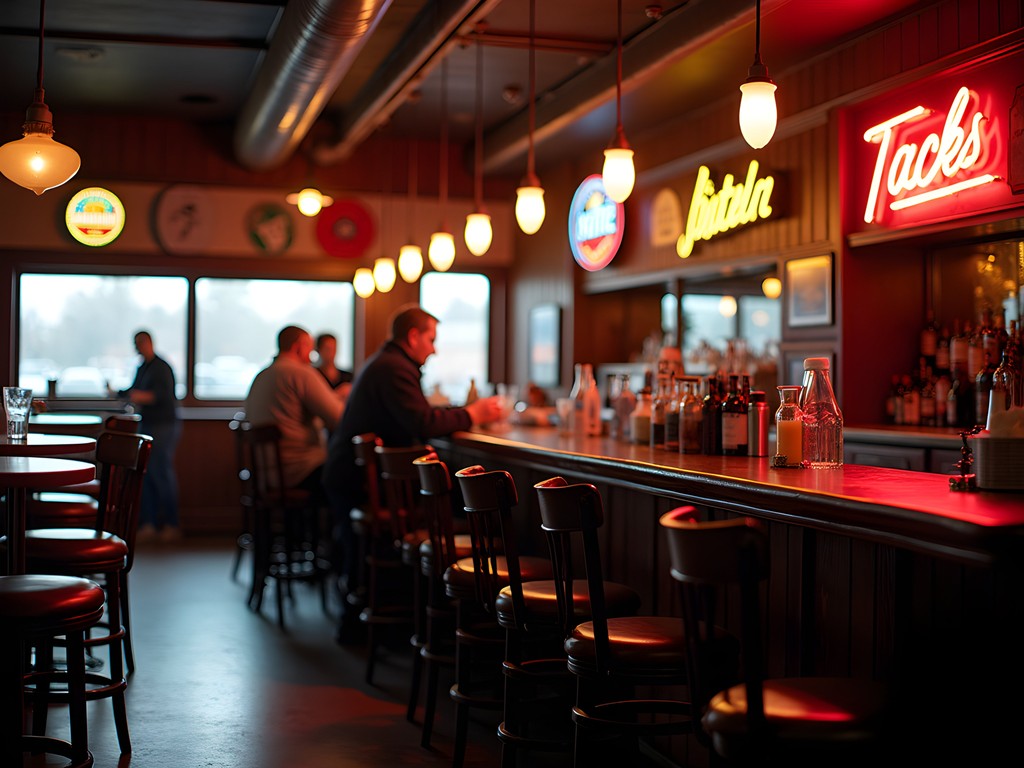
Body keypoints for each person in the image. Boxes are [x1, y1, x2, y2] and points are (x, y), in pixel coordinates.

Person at [322, 304, 503, 642]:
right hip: (356, 483)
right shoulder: (394, 368)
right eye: (431, 339)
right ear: (413, 336)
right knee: (462, 508)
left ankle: (386, 616)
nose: (434, 349)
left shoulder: (388, 363)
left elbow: (419, 414)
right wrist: (473, 413)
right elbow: (422, 422)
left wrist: (460, 412)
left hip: (355, 478)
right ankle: (449, 619)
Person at [244, 325, 344, 494]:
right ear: (298, 347)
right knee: (354, 472)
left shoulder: (261, 376)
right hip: (300, 471)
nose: (311, 356)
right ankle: (347, 521)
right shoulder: (301, 373)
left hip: (265, 473)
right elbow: (340, 418)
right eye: (309, 349)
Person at [115, 330, 181, 542]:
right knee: (147, 474)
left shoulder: (162, 368)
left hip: (163, 425)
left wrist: (134, 395)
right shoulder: (143, 367)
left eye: (139, 343)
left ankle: (171, 524)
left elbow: (158, 396)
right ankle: (150, 524)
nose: (137, 348)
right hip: (148, 423)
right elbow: (134, 390)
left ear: (149, 343)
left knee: (161, 473)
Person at [314, 332, 353, 405]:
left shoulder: (347, 376)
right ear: (319, 350)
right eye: (327, 349)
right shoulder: (314, 375)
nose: (331, 352)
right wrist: (337, 394)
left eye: (334, 348)